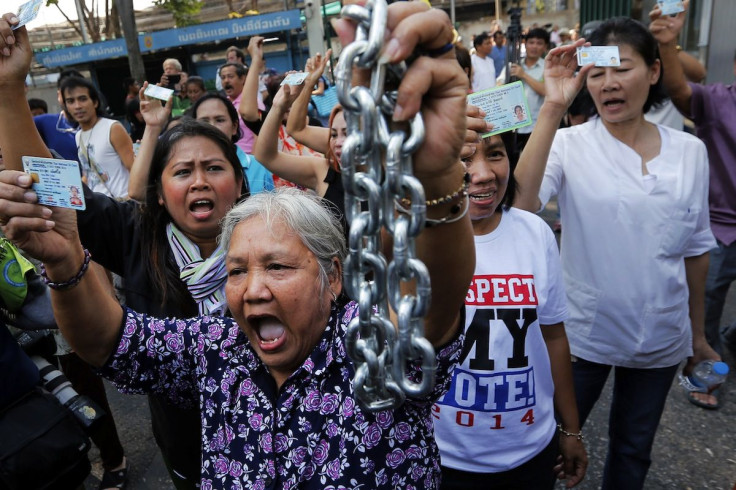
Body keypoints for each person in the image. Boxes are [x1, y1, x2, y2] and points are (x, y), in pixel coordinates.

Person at [0, 3, 473, 488]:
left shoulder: (365, 346)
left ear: (333, 277)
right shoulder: (218, 348)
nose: (253, 290)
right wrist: (64, 262)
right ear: (159, 192)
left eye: (279, 267)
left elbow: (428, 301)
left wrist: (436, 177)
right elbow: (106, 340)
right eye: (236, 271)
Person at [512, 21, 719, 490]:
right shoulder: (568, 144)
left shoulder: (690, 152)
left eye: (622, 69)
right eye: (598, 73)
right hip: (585, 333)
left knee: (632, 451)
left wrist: (698, 335)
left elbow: (695, 250)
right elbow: (521, 208)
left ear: (653, 72)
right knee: (550, 445)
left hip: (663, 335)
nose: (608, 84)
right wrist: (551, 107)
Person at [433, 115, 587, 489]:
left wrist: (571, 429)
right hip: (443, 456)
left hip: (529, 453)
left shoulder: (535, 233)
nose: (483, 174)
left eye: (496, 154)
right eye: (464, 158)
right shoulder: (421, 241)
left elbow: (553, 336)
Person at [651, 1, 736, 411]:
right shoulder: (719, 102)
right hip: (721, 230)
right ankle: (706, 378)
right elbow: (682, 90)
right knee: (704, 314)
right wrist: (668, 41)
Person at [60, 76, 134, 200]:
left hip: (122, 205)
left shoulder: (112, 128)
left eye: (82, 99)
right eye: (70, 101)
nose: (77, 106)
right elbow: (88, 174)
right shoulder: (78, 135)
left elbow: (134, 167)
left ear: (95, 102)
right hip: (99, 209)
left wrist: (131, 198)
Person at [191, 92, 273, 194]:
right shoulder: (186, 169)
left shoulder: (259, 167)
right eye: (204, 121)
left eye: (219, 120)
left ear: (234, 126)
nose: (212, 127)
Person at [498, 27, 549, 152]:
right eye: (531, 42)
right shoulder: (514, 65)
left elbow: (545, 91)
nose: (534, 47)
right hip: (512, 125)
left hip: (535, 126)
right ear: (525, 45)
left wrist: (524, 75)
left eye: (539, 43)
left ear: (545, 47)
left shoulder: (547, 67)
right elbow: (498, 87)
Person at [33, 69, 83, 162]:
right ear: (59, 95)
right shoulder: (44, 122)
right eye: (69, 96)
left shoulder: (103, 126)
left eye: (81, 97)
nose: (77, 105)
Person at [219, 61, 259, 153]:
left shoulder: (253, 103)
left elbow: (260, 133)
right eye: (223, 77)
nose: (226, 81)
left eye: (230, 76)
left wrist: (254, 161)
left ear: (242, 79)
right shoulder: (222, 104)